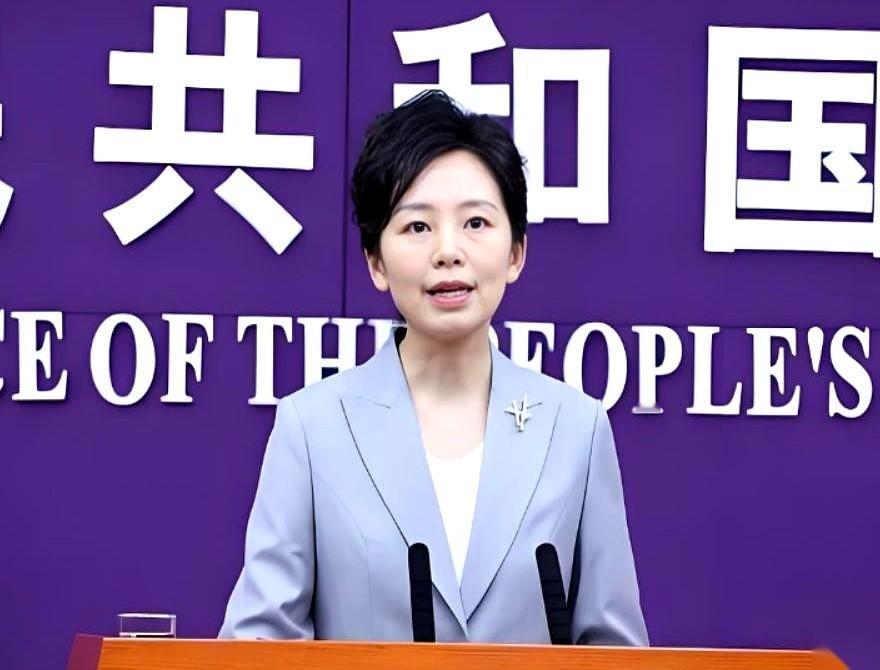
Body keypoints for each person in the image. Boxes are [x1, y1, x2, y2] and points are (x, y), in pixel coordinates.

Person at [218, 90, 648, 645]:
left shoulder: (576, 429)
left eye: (476, 222)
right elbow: (258, 645)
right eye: (417, 227)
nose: (448, 251)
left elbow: (615, 649)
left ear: (516, 252)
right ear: (376, 261)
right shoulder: (313, 428)